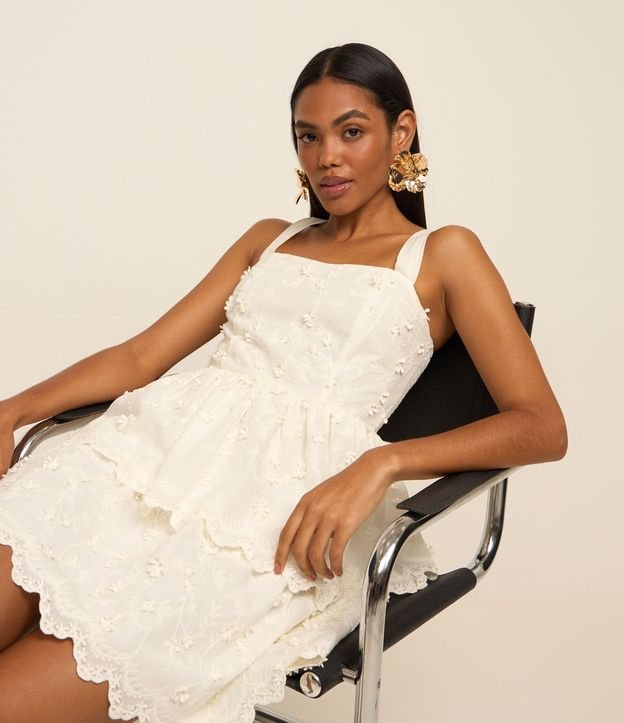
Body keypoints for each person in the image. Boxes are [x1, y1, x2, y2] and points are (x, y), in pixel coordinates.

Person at [0, 42, 567, 723]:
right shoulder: (268, 239)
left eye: (351, 131)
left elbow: (541, 425)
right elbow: (142, 356)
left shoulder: (445, 253)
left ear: (402, 133)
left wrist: (383, 462)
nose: (327, 157)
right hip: (142, 469)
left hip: (263, 524)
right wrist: (12, 410)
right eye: (308, 136)